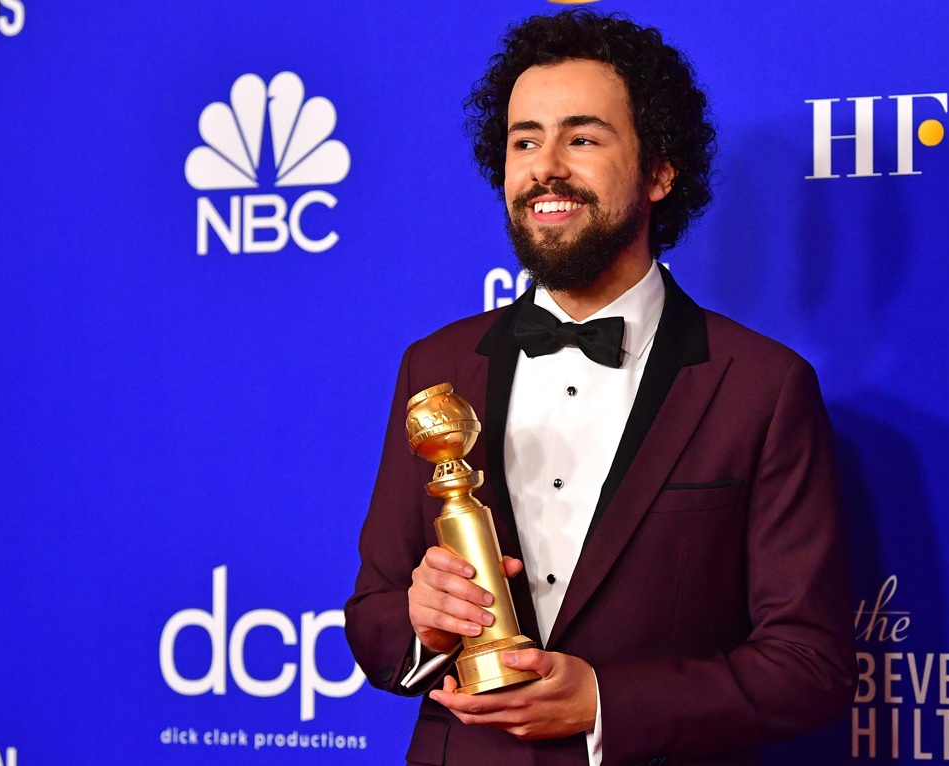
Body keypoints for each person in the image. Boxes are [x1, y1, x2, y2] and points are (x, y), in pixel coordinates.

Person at [345, 10, 855, 765]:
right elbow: (373, 614)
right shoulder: (437, 366)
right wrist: (422, 625)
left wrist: (605, 703)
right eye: (525, 141)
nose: (545, 166)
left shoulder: (762, 387)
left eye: (582, 138)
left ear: (658, 171)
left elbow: (808, 664)